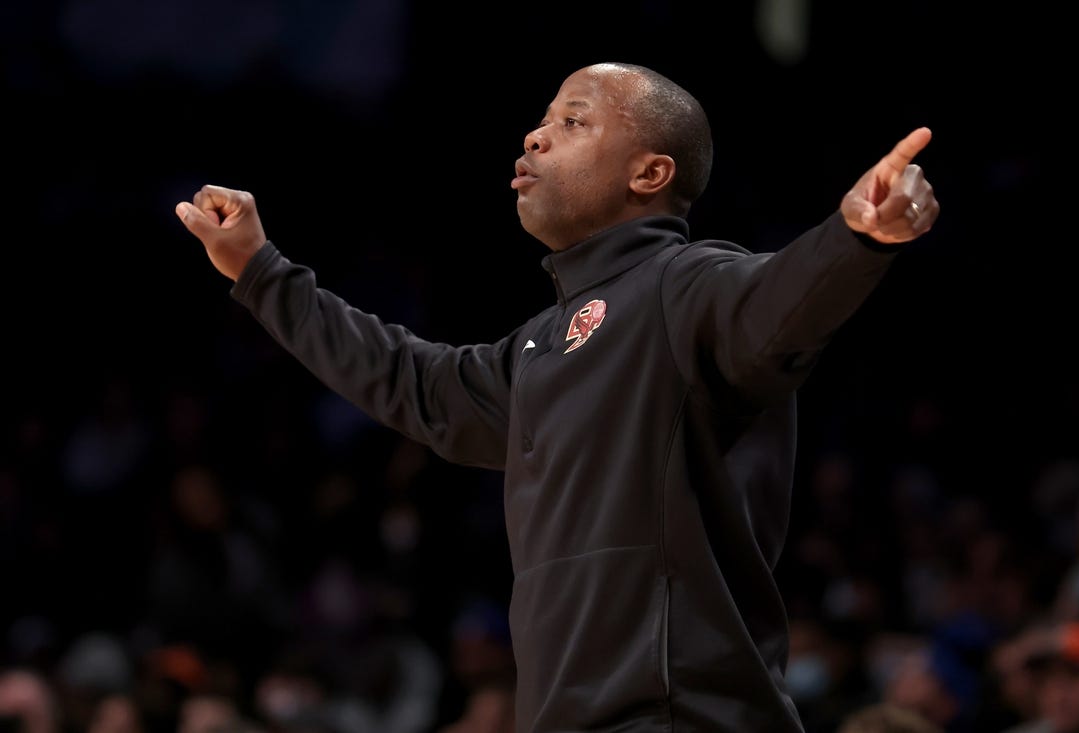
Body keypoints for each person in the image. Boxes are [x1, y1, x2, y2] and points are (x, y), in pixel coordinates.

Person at [175, 61, 939, 733]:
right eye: (541, 121)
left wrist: (856, 238)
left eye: (573, 121)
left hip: (680, 715)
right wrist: (259, 270)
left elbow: (780, 301)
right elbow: (413, 383)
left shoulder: (688, 283)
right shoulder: (540, 344)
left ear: (650, 173)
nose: (536, 138)